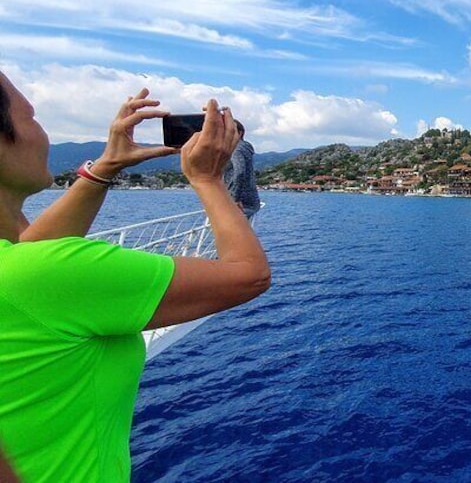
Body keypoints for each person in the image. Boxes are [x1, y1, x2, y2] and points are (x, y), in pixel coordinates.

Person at [0, 72, 271, 482]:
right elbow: (249, 275)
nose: (43, 132)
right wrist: (207, 180)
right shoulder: (43, 276)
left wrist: (106, 165)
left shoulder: (22, 269)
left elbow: (30, 254)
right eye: (32, 118)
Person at [223, 119, 261, 217]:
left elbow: (239, 172)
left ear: (240, 133)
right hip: (249, 199)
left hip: (241, 203)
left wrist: (235, 198)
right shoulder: (244, 148)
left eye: (231, 130)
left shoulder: (236, 148)